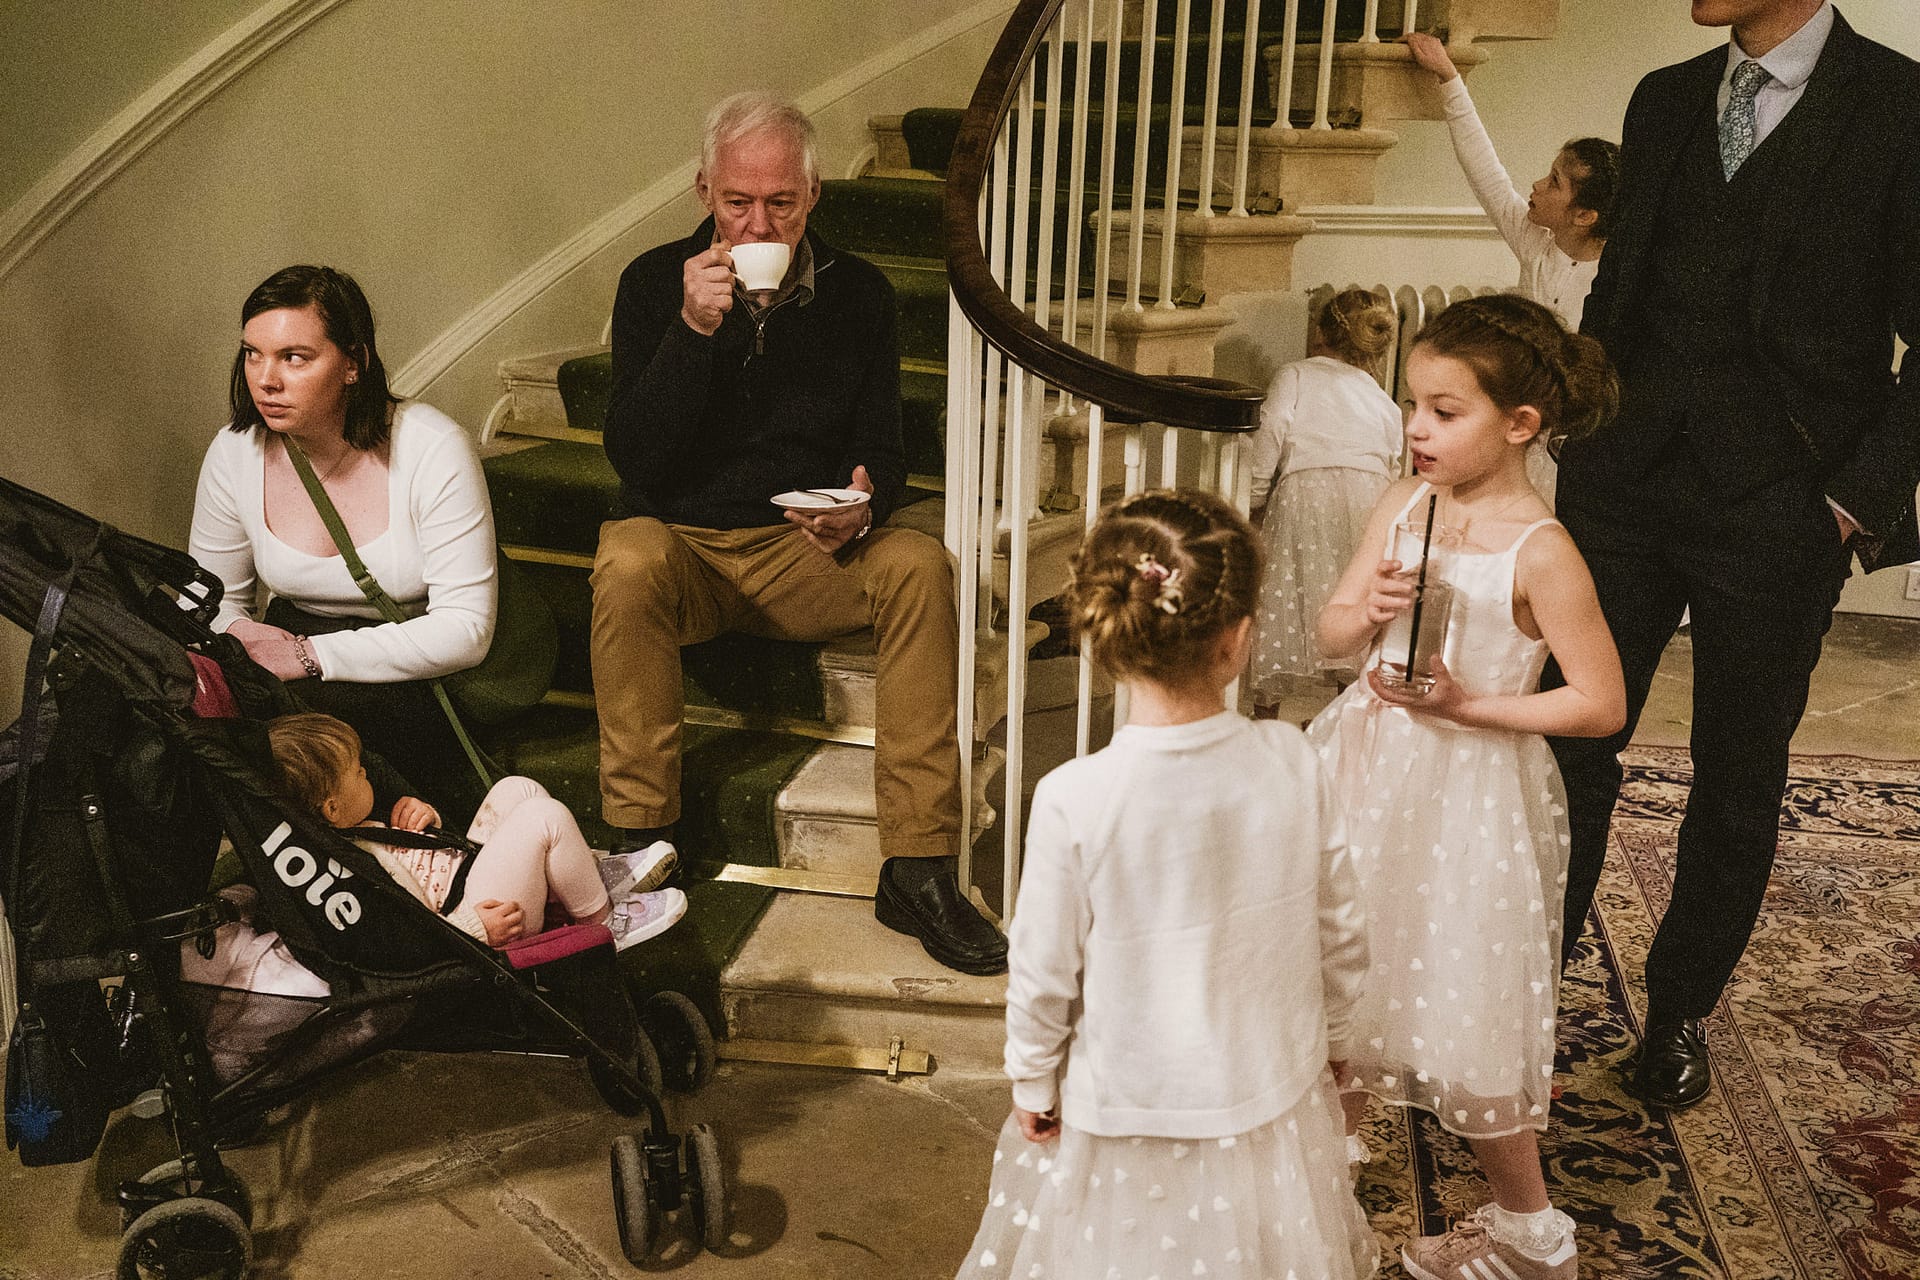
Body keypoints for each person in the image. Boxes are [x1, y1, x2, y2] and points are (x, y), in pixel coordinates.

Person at [1549, 0, 1920, 1112]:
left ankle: (1677, 1008)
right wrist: (1573, 426)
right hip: (1622, 484)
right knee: (1567, 741)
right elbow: (1620, 292)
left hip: (1783, 506)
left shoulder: (1901, 106)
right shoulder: (1663, 98)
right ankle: (1525, 980)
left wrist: (1855, 500)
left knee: (1737, 773)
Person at [593, 91, 1003, 975]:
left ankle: (919, 862)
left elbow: (884, 451)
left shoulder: (860, 294)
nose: (757, 221)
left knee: (922, 566)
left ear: (813, 196)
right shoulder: (652, 284)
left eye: (780, 202)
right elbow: (636, 460)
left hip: (803, 554)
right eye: (738, 202)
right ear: (705, 190)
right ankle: (638, 847)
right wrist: (693, 330)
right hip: (688, 553)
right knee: (626, 555)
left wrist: (864, 500)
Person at [957, 490, 1378, 1280]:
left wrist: (1032, 1080)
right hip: (1268, 1083)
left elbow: (1043, 971)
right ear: (1239, 638)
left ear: (1102, 639)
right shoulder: (1293, 758)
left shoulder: (1075, 797)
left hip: (1127, 1103)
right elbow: (1340, 923)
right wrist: (1339, 1035)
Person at [1310, 296, 1625, 1280]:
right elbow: (1330, 632)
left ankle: (1532, 1231)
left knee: (1464, 995)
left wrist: (1469, 706)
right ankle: (1316, 1196)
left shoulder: (1543, 551)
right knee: (1332, 985)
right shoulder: (1405, 502)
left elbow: (1600, 700)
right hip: (1362, 765)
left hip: (1467, 790)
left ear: (1521, 424)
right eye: (1413, 403)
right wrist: (1370, 605)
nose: (1415, 427)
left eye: (1445, 411)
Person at [190, 265, 497, 825]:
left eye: (294, 357)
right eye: (252, 354)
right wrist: (242, 634)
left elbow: (466, 629)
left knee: (327, 723)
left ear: (353, 363)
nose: (266, 379)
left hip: (416, 657)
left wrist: (310, 657)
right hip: (291, 645)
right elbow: (206, 603)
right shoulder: (236, 451)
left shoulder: (431, 446)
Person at [1404, 31, 1620, 508]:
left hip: (1573, 450)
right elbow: (1485, 172)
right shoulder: (1535, 241)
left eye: (1555, 183)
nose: (1538, 185)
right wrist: (1448, 78)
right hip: (1517, 429)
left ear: (1584, 215)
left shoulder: (1615, 278)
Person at [265, 713, 684, 951]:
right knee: (544, 816)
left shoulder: (354, 831)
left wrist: (419, 818)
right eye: (356, 771)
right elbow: (409, 930)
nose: (366, 771)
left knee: (516, 790)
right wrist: (473, 930)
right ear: (332, 808)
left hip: (466, 873)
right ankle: (606, 921)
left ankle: (583, 880)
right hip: (476, 916)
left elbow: (417, 859)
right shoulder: (352, 866)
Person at [1246, 287, 1404, 713]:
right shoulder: (1382, 398)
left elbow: (1271, 433)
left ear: (1321, 332)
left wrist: (1255, 496)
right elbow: (1393, 462)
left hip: (1309, 492)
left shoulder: (1295, 374)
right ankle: (1341, 716)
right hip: (1369, 498)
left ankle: (1266, 715)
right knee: (1348, 595)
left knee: (1289, 593)